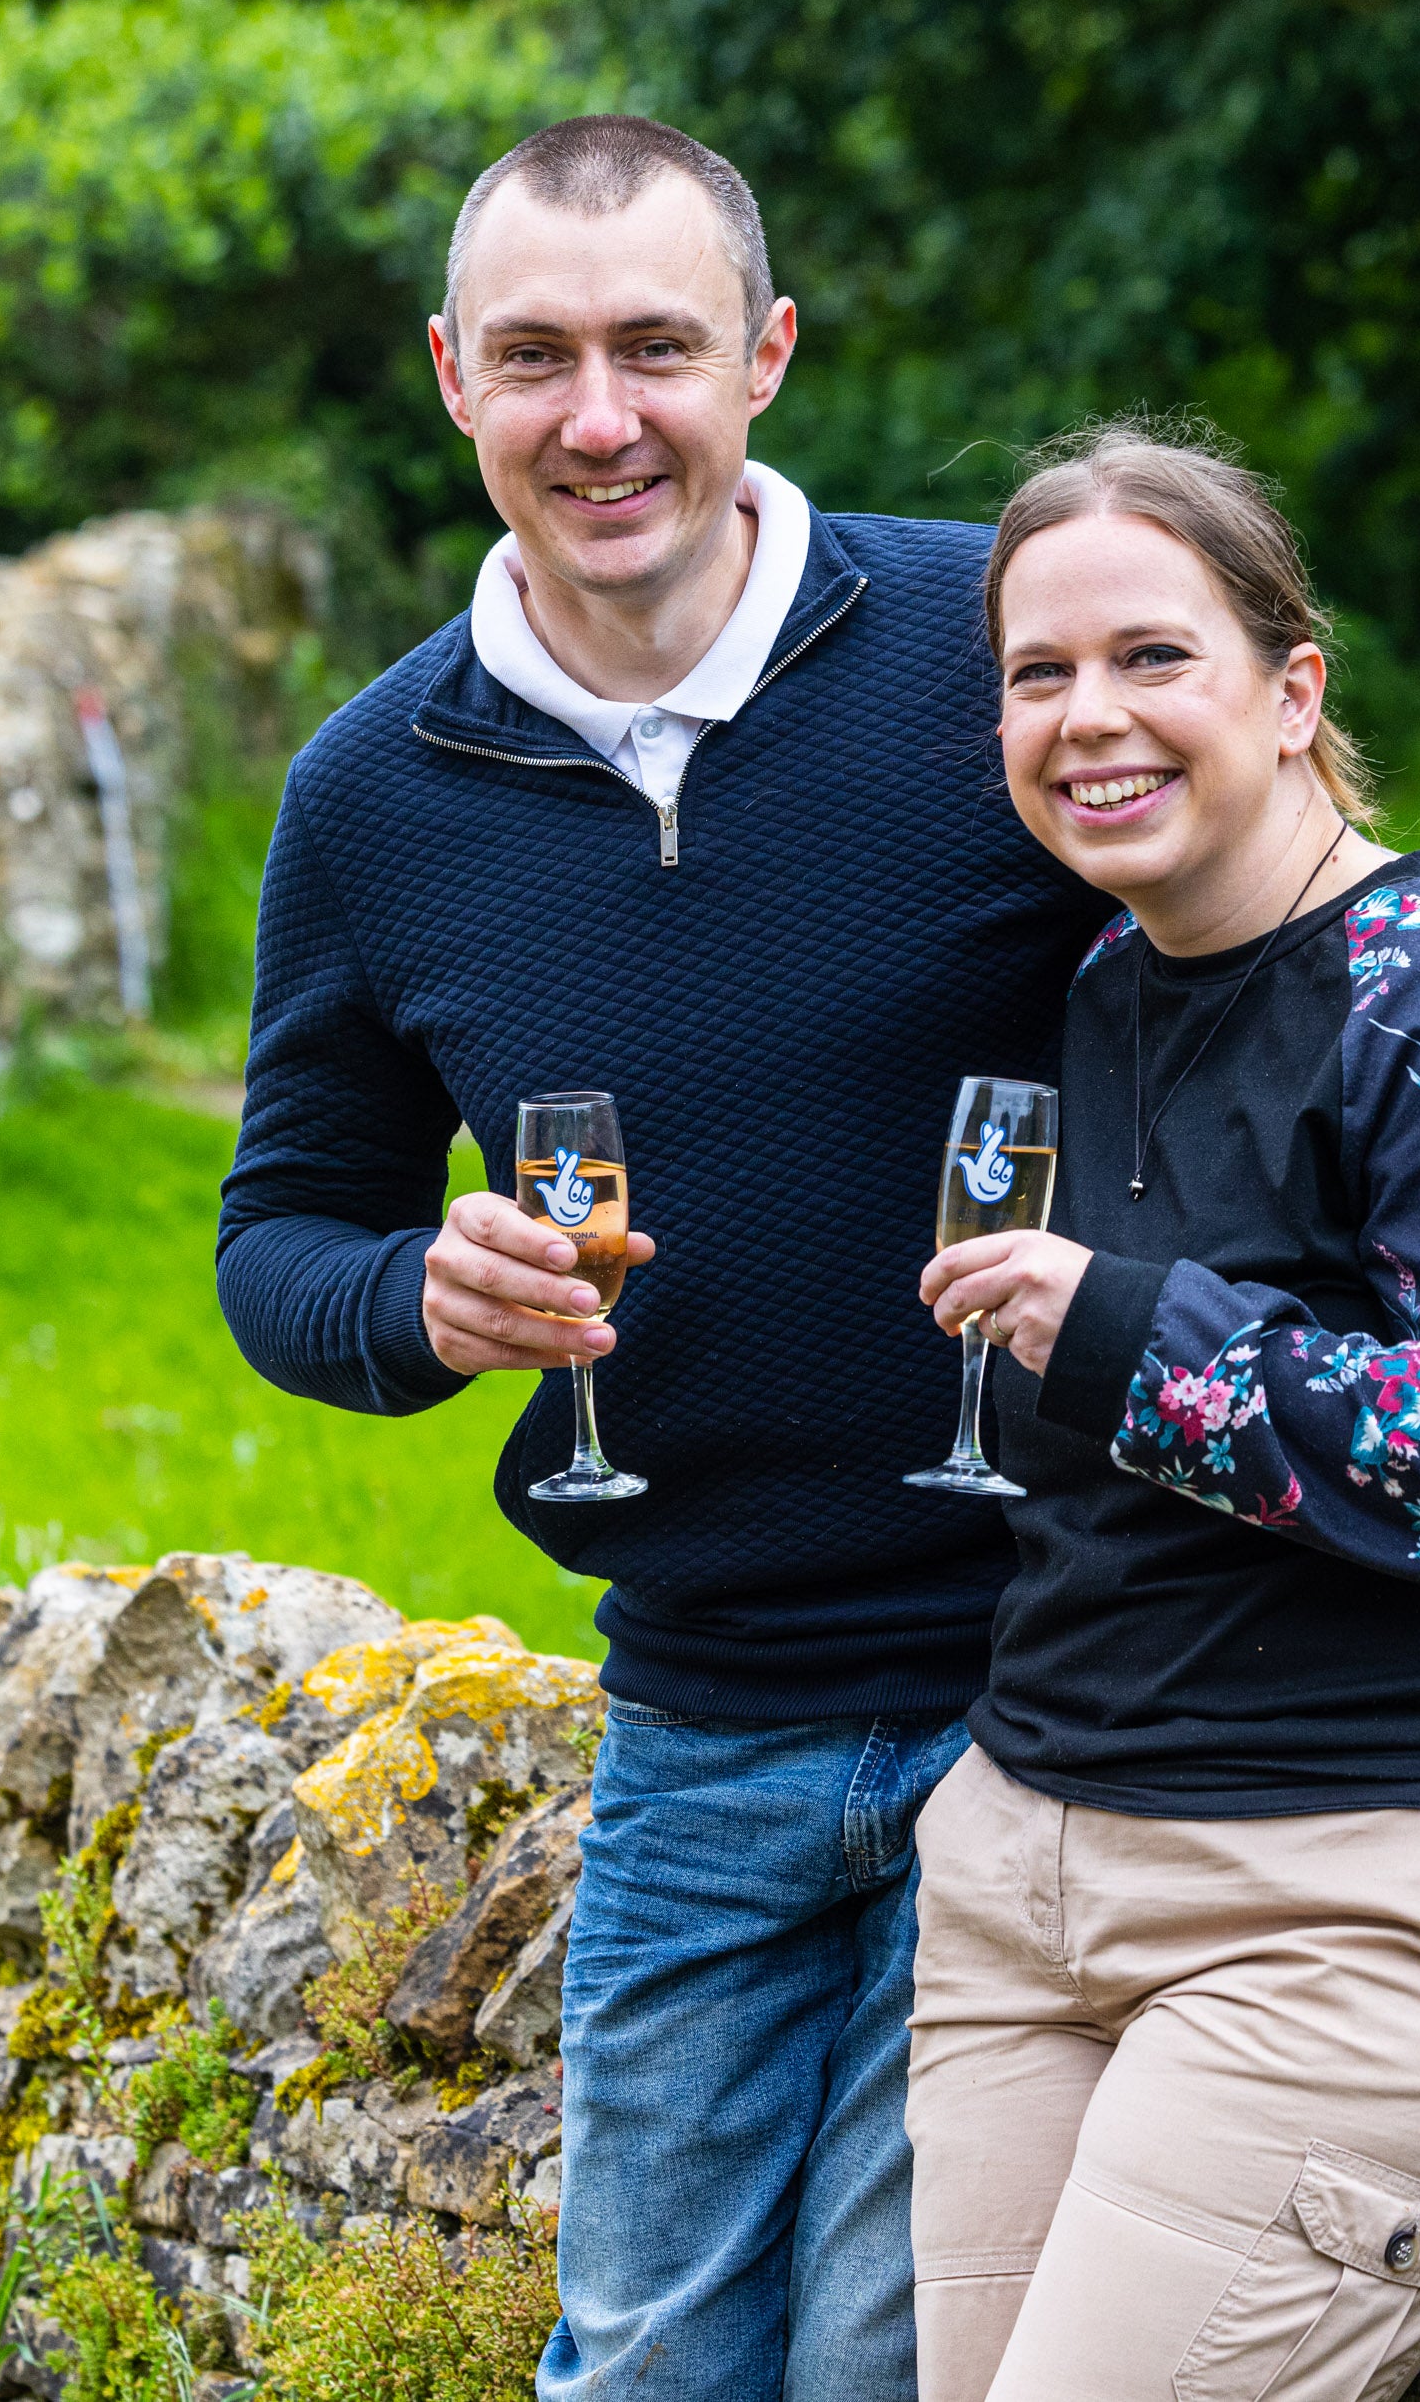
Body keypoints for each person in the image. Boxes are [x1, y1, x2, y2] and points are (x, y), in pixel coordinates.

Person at [214, 117, 1107, 2401]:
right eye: (535, 355)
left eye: (653, 347)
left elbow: (1372, 960)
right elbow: (276, 1243)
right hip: (694, 1710)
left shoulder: (993, 648)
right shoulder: (367, 793)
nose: (597, 415)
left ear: (767, 356)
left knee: (877, 2368)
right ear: (449, 377)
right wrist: (412, 1299)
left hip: (1044, 1690)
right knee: (630, 2366)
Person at [904, 422, 1420, 2401]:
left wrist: (1125, 1334)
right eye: (1036, 673)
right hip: (1034, 1875)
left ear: (1291, 690)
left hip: (1375, 1887)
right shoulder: (1103, 975)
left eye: (1150, 657)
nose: (1087, 717)